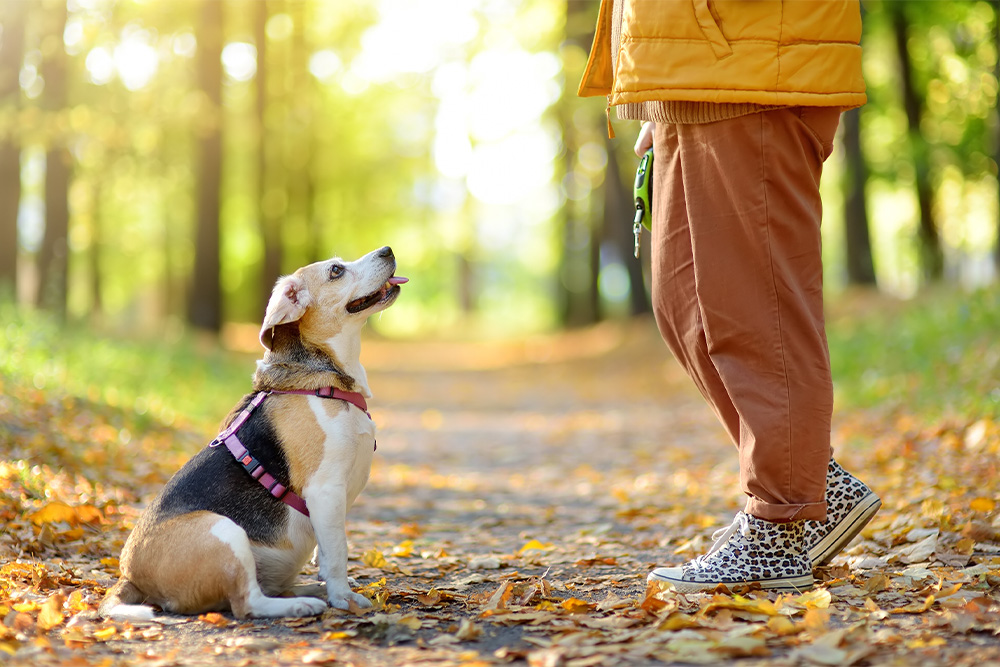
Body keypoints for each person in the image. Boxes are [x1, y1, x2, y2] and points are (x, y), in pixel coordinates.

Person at [579, 0, 881, 592]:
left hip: (755, 65)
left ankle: (779, 524)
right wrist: (662, 83)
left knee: (755, 310)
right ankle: (809, 478)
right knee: (682, 302)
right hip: (693, 73)